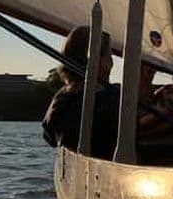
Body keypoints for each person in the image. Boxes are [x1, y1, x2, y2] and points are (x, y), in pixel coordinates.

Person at [42, 26, 120, 158]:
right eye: (109, 55)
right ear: (97, 60)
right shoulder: (111, 97)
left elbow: (49, 136)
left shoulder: (61, 97)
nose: (111, 62)